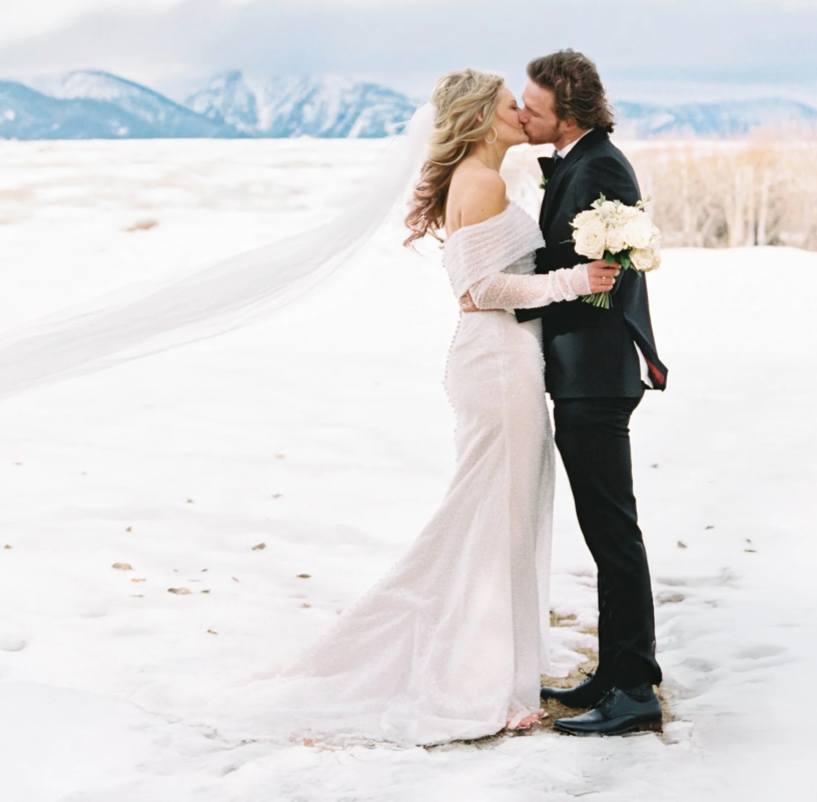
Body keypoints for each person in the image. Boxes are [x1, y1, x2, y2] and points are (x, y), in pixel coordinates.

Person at [187, 69, 620, 746]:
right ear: (481, 118)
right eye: (511, 106)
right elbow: (481, 288)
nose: (522, 114)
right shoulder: (480, 183)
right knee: (492, 520)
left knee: (498, 514)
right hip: (497, 361)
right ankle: (473, 678)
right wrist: (576, 280)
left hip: (501, 359)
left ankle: (496, 666)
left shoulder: (482, 181)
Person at [514, 49, 668, 736]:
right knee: (608, 532)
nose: (522, 115)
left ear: (566, 112)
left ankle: (632, 689)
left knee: (613, 534)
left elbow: (597, 271)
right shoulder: (586, 159)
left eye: (533, 107)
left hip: (593, 375)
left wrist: (507, 268)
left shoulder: (599, 164)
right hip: (585, 371)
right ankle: (615, 670)